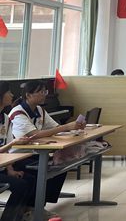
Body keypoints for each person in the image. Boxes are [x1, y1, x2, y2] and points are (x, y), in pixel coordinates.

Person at [8, 80, 85, 219]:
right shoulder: (18, 113)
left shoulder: (39, 110)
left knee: (59, 165)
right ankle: (31, 208)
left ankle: (37, 206)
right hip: (17, 157)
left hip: (34, 153)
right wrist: (66, 127)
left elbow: (55, 127)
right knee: (41, 170)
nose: (44, 95)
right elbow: (34, 134)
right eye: (41, 92)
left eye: (45, 91)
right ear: (28, 95)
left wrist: (73, 129)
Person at [0, 82, 35, 221]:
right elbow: (10, 145)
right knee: (20, 185)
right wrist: (14, 143)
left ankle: (18, 216)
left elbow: (6, 148)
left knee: (29, 179)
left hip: (2, 167)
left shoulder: (5, 118)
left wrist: (10, 169)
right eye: (8, 92)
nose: (12, 95)